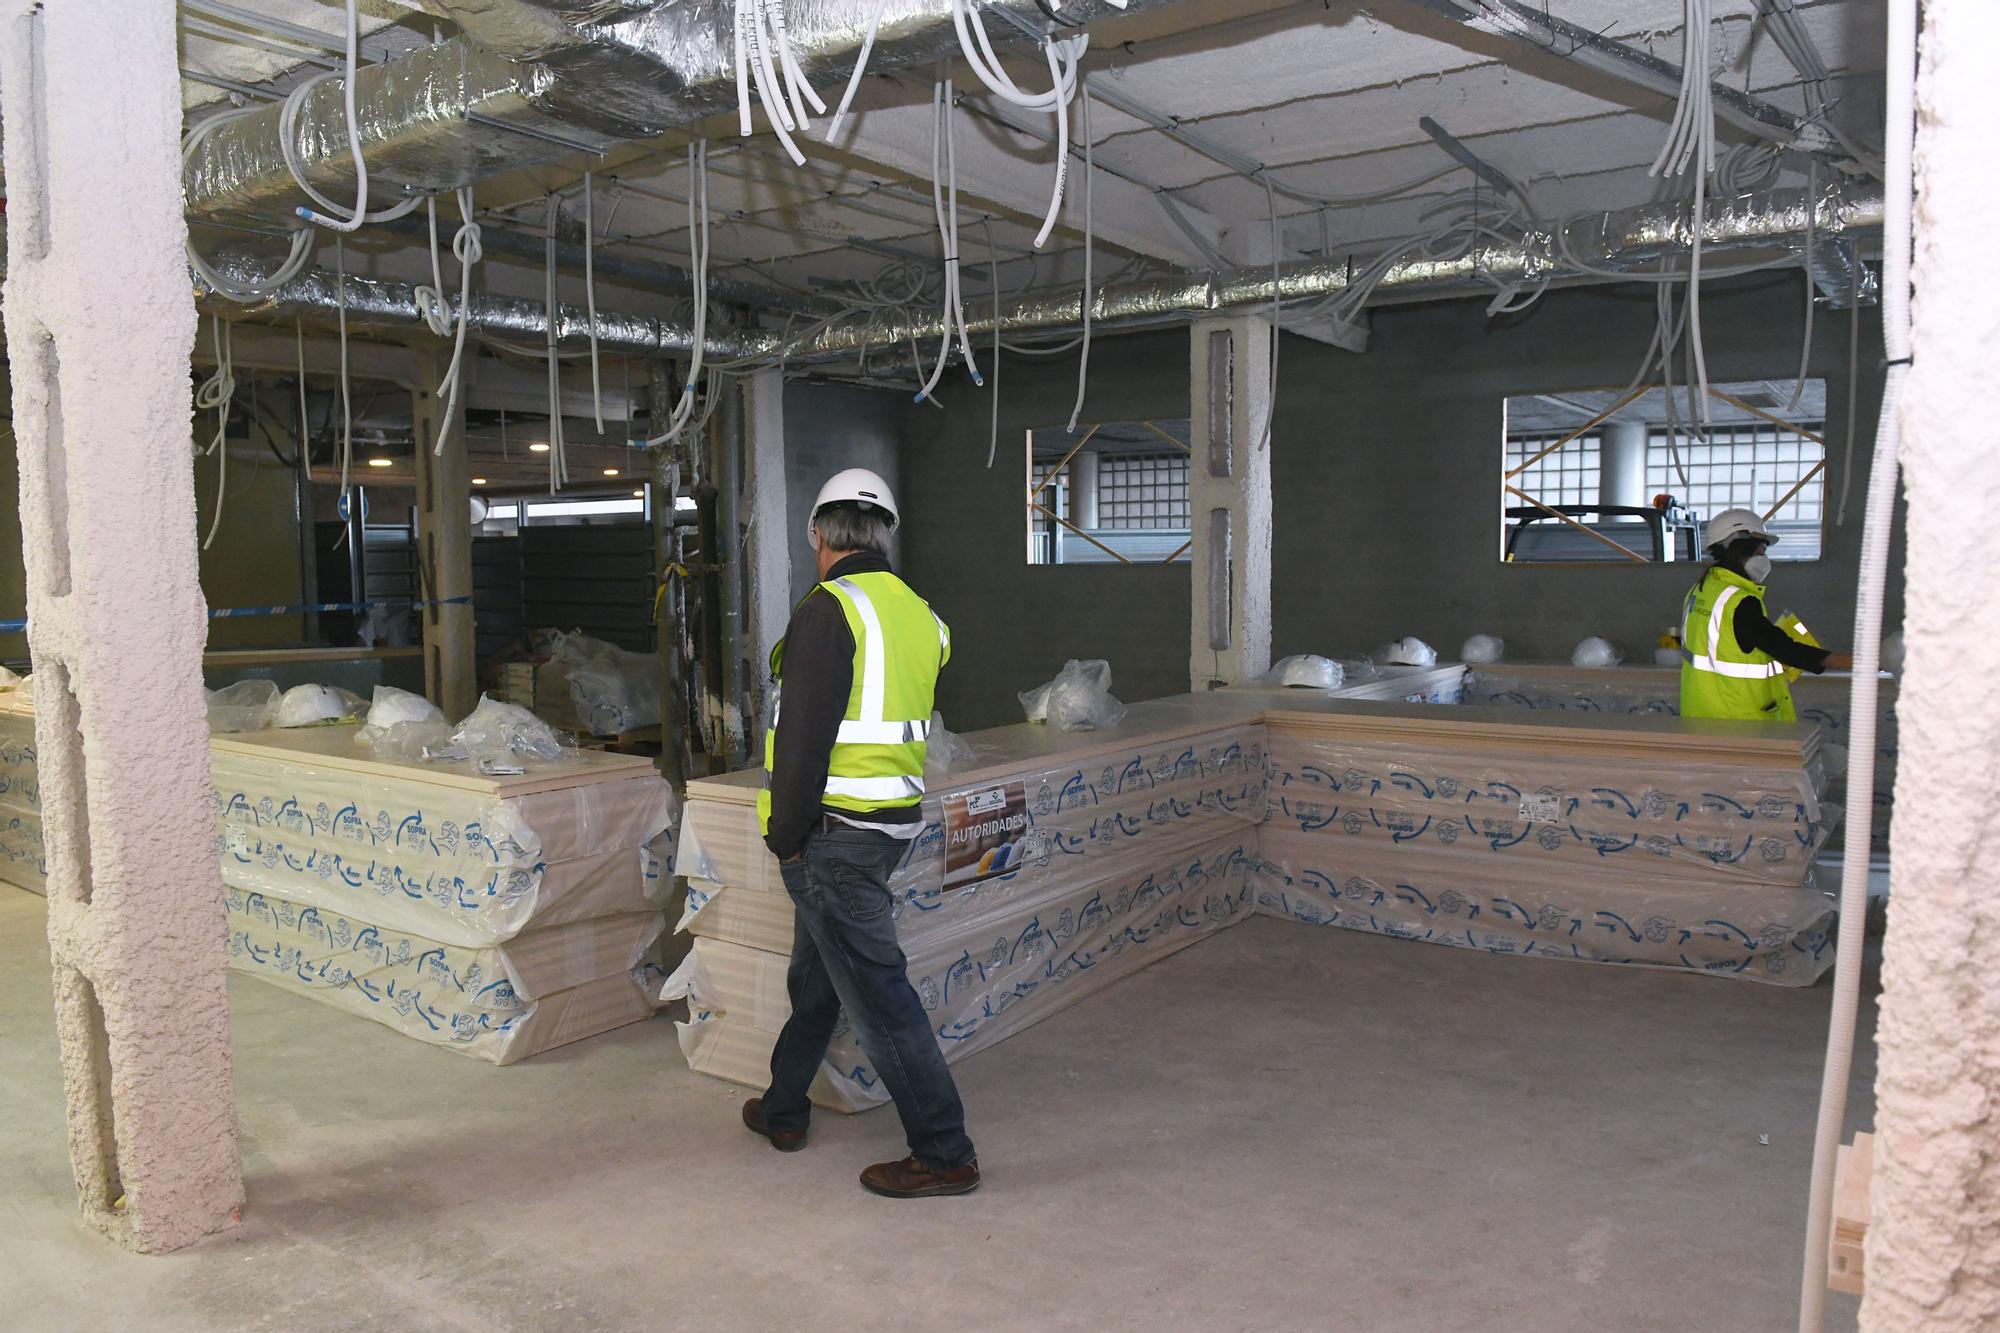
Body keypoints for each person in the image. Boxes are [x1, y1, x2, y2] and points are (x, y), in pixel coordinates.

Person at [739, 468, 979, 1199]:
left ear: (818, 536)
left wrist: (786, 837)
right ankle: (784, 1106)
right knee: (816, 979)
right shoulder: (921, 615)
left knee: (877, 996)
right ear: (883, 535)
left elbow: (806, 738)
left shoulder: (828, 610)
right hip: (887, 826)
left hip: (830, 836)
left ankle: (943, 1150)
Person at [1679, 507, 1852, 721]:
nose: (1764, 560)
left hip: (1700, 711)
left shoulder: (1701, 590)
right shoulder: (1740, 601)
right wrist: (1855, 662)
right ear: (1739, 547)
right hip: (1739, 718)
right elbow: (1785, 649)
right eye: (1760, 551)